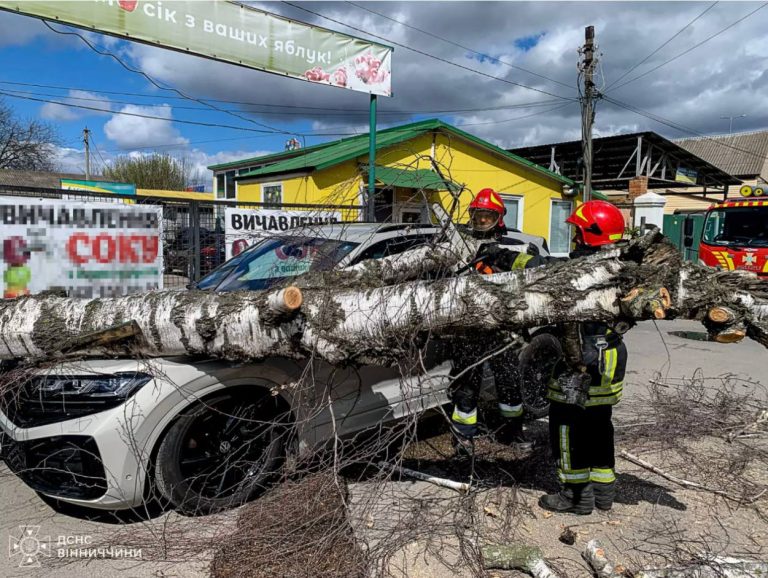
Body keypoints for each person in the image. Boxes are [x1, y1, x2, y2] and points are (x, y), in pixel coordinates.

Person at [538, 200, 627, 515]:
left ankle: (575, 495)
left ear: (593, 234)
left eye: (579, 232)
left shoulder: (582, 271)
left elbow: (549, 278)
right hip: (611, 355)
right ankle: (604, 493)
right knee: (599, 424)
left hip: (581, 357)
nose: (575, 237)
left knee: (567, 425)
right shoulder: (623, 268)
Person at [449, 188, 549, 458]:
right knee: (466, 387)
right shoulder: (459, 246)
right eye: (477, 215)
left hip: (504, 329)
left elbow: (534, 274)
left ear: (499, 217)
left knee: (509, 384)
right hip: (469, 329)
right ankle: (463, 437)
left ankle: (513, 432)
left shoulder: (515, 246)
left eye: (487, 216)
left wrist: (505, 260)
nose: (481, 221)